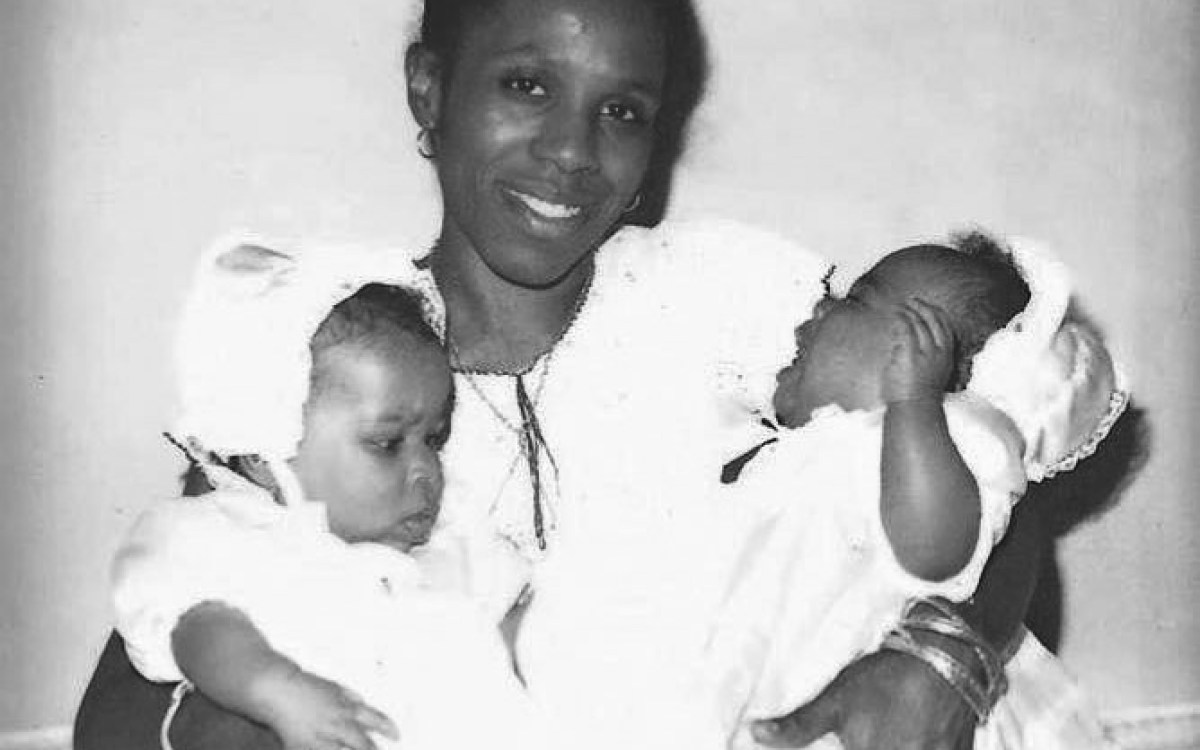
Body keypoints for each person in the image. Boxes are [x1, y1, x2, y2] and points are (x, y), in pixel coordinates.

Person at [74, 0, 1064, 747]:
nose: (570, 151)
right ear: (430, 91)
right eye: (527, 85)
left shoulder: (718, 296)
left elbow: (999, 464)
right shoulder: (327, 354)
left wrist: (945, 657)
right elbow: (147, 654)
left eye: (622, 110)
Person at [513, 233, 1127, 750]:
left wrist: (916, 407)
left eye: (853, 300)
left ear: (927, 362)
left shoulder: (932, 437)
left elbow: (942, 550)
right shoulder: (803, 443)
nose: (818, 308)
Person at [110, 240, 546, 750]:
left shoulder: (454, 538)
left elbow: (516, 625)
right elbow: (199, 629)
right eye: (386, 444)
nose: (426, 469)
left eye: (434, 438)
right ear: (263, 448)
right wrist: (280, 692)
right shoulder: (229, 534)